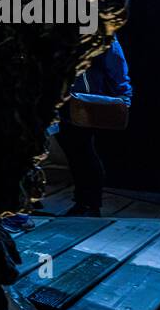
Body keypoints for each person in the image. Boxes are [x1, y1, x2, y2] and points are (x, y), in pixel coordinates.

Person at [57, 37, 132, 216]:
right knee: (74, 152)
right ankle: (84, 202)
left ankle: (89, 203)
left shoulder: (101, 32)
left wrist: (124, 97)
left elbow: (117, 66)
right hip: (61, 98)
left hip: (82, 100)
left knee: (82, 151)